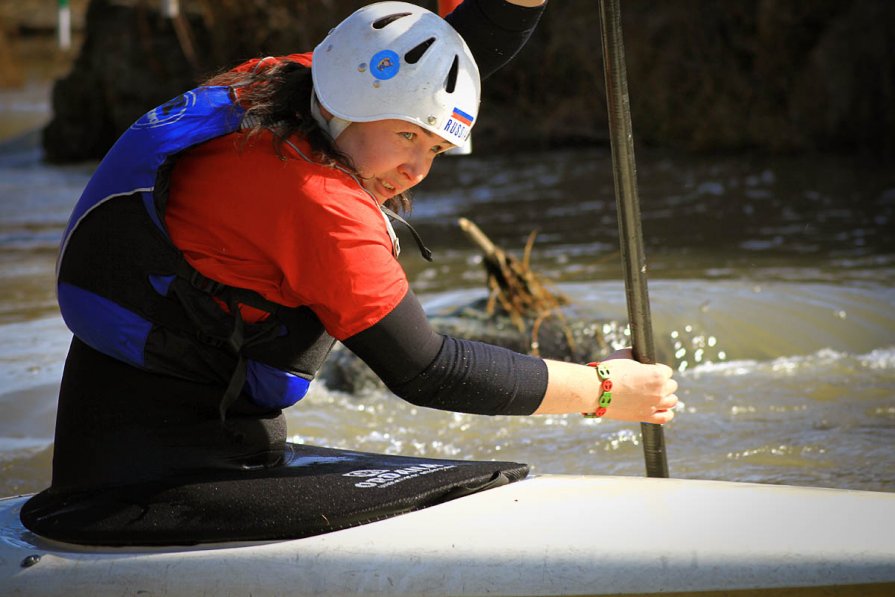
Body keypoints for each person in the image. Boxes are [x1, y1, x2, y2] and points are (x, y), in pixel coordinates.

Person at [21, 0, 678, 546]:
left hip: (149, 453)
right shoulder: (317, 201)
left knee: (482, 477)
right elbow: (425, 367)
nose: (417, 170)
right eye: (408, 139)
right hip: (146, 487)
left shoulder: (289, 82)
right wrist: (603, 389)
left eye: (436, 147)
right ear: (353, 100)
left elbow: (441, 57)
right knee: (495, 482)